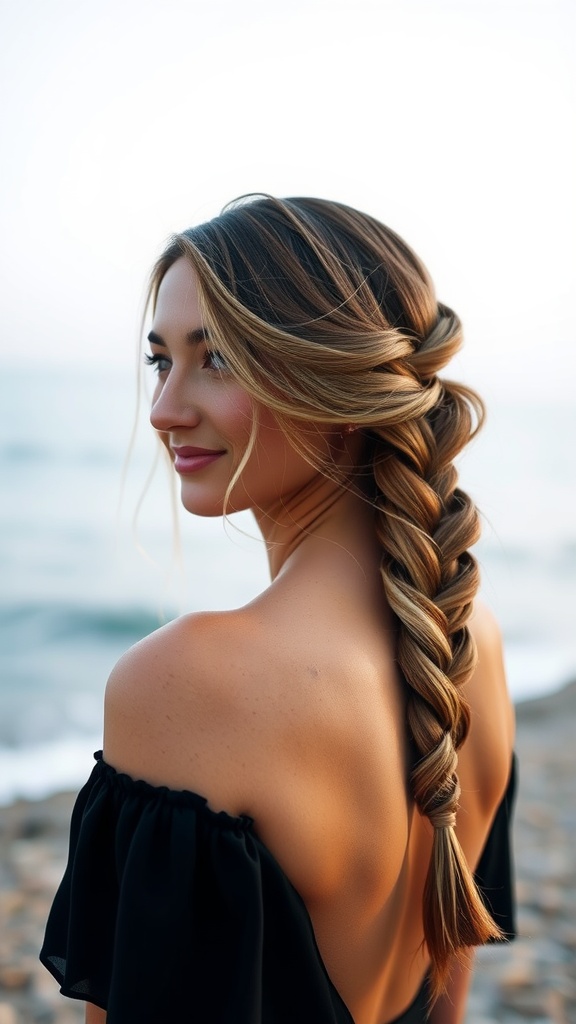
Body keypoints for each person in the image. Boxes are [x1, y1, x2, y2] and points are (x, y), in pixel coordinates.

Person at [40, 195, 516, 1024]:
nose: (163, 410)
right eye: (162, 361)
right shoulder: (465, 638)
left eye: (217, 358)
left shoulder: (190, 682)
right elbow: (450, 983)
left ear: (336, 384)